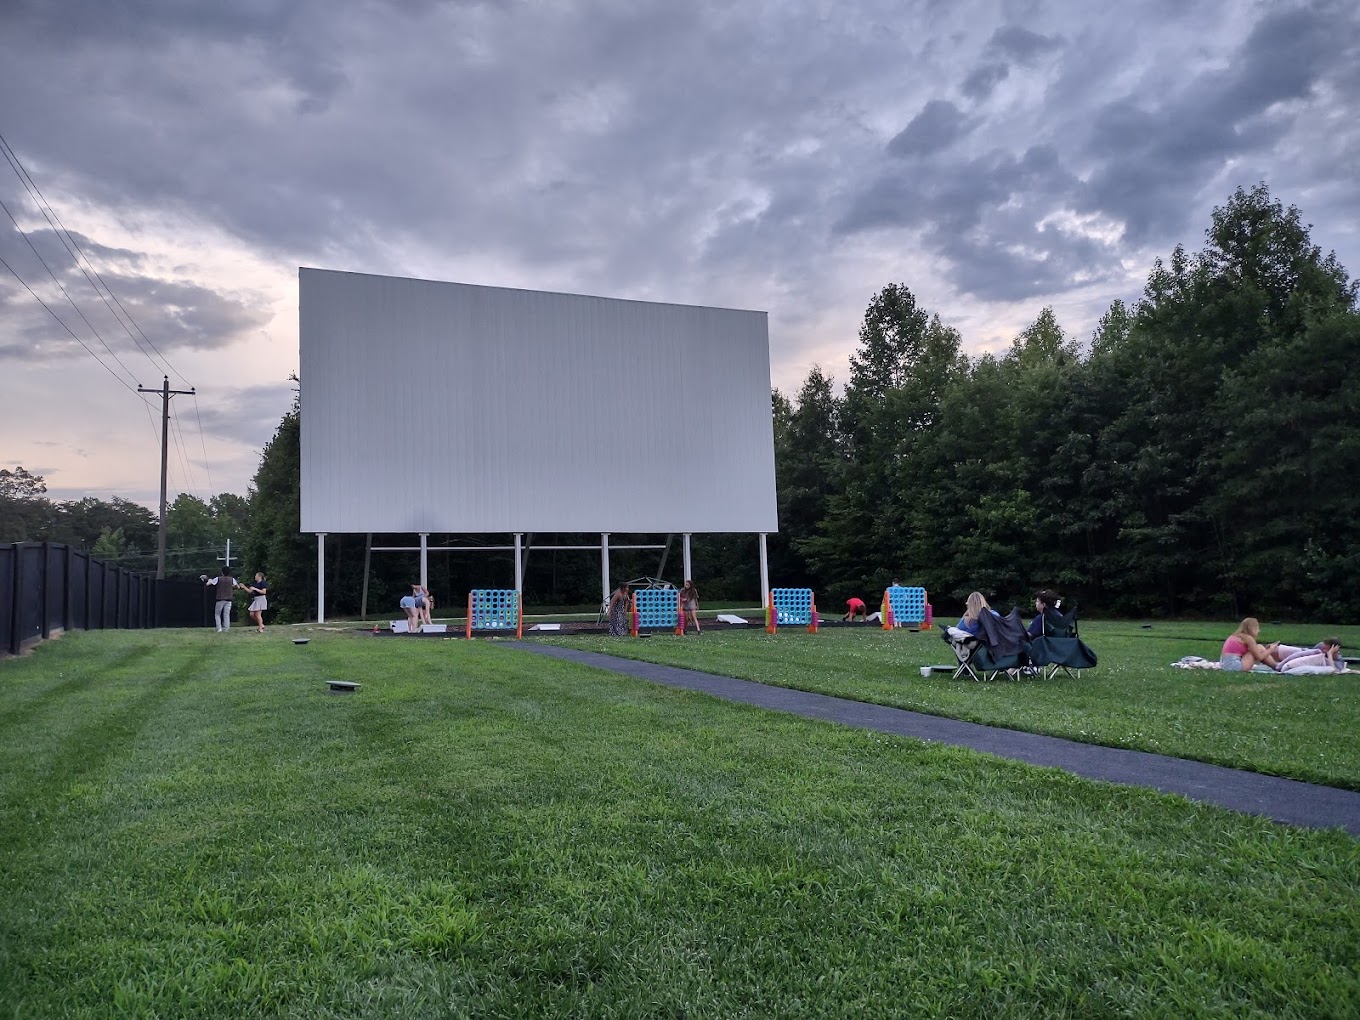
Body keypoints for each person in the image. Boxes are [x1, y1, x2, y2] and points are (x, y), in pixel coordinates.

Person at [202, 566, 239, 633]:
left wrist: (209, 580)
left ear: (222, 572)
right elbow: (237, 586)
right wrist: (231, 586)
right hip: (229, 599)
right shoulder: (232, 579)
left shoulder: (218, 579)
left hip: (220, 599)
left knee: (217, 614)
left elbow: (208, 584)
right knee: (226, 614)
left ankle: (219, 628)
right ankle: (226, 629)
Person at [1275, 638, 1344, 672]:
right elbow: (1302, 654)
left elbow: (1334, 670)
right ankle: (1276, 665)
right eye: (1323, 648)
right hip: (1305, 652)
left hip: (1304, 658)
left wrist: (1329, 654)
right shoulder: (1319, 648)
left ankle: (1274, 665)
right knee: (1275, 649)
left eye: (1326, 649)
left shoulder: (1339, 662)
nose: (1324, 650)